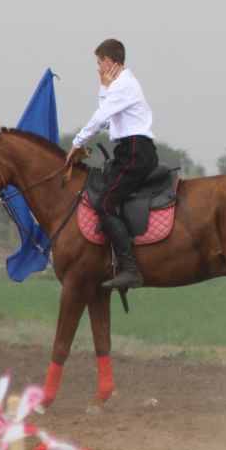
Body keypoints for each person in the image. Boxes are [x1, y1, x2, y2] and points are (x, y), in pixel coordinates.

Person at [65, 38, 157, 290]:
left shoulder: (125, 84)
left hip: (135, 151)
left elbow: (100, 117)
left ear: (108, 61)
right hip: (129, 149)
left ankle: (130, 270)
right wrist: (104, 87)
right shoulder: (119, 86)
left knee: (105, 204)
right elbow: (107, 119)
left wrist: (76, 143)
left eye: (98, 63)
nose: (98, 68)